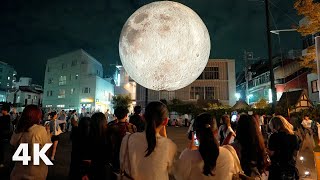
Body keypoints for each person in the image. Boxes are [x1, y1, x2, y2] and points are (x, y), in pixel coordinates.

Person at [119, 101, 177, 180]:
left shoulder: (127, 139)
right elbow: (172, 172)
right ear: (166, 121)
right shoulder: (170, 146)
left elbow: (122, 163)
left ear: (143, 117)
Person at [174, 113, 240, 180]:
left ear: (196, 135)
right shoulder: (229, 153)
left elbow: (179, 176)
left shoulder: (187, 156)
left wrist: (190, 151)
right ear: (216, 131)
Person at [10, 105, 51, 180]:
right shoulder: (40, 130)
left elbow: (12, 147)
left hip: (18, 171)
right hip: (35, 172)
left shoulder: (18, 129)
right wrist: (47, 133)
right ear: (37, 116)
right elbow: (46, 153)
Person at [107, 106, 136, 179]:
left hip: (113, 157)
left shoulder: (110, 126)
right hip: (128, 158)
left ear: (115, 115)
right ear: (126, 115)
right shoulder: (132, 127)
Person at [268, 115, 300, 180]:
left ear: (274, 125)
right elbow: (295, 154)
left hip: (277, 169)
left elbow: (271, 153)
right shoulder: (294, 136)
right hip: (290, 168)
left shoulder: (273, 136)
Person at [81, 112, 109, 180]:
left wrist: (85, 172)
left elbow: (86, 157)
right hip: (105, 171)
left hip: (92, 171)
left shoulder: (89, 137)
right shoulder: (108, 136)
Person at [0, 103, 12, 167]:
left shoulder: (4, 118)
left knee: (3, 151)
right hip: (7, 138)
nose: (1, 111)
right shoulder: (10, 118)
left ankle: (3, 163)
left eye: (2, 109)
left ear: (5, 110)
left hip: (3, 137)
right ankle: (4, 163)